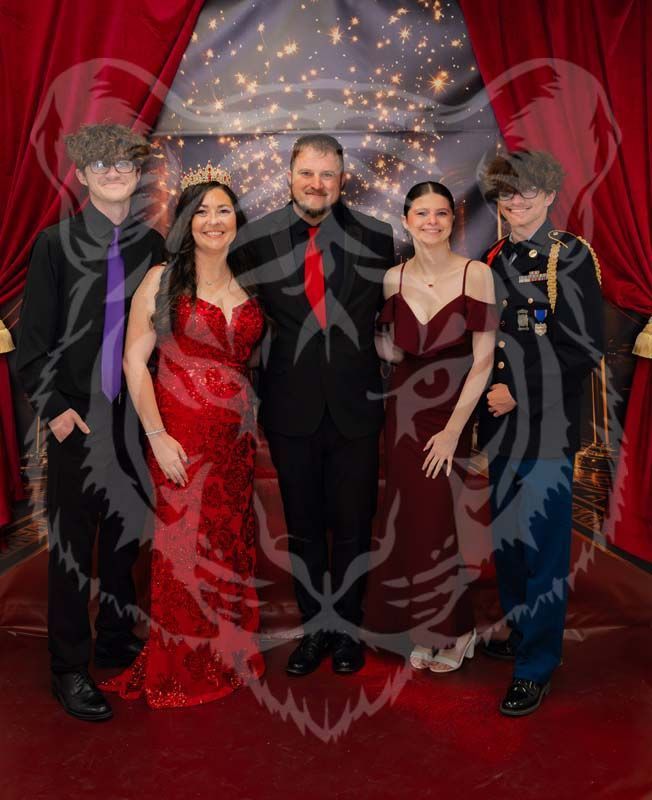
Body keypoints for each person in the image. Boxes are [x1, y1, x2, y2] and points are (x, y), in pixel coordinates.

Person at [99, 167, 266, 708]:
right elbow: (133, 362)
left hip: (236, 440)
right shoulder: (162, 277)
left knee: (229, 544)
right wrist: (157, 435)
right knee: (183, 550)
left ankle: (228, 653)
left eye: (223, 210)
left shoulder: (249, 279)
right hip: (180, 435)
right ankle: (182, 667)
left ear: (236, 219)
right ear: (186, 222)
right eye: (201, 212)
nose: (213, 221)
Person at [16, 123, 165, 721]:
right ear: (81, 174)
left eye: (124, 163)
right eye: (101, 164)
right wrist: (55, 411)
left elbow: (159, 338)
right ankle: (69, 667)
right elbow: (31, 346)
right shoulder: (54, 244)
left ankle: (116, 639)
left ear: (137, 173)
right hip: (76, 417)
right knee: (73, 549)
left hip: (132, 416)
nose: (113, 172)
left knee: (126, 538)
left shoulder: (152, 246)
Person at [240, 134, 395, 675]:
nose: (316, 183)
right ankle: (314, 631)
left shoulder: (377, 236)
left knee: (354, 525)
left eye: (327, 174)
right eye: (307, 172)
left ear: (342, 178)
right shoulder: (256, 238)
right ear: (290, 175)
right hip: (290, 406)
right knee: (303, 527)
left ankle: (347, 632)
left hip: (356, 405)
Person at [478, 150, 604, 716]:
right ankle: (521, 632)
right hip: (500, 426)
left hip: (547, 426)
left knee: (544, 547)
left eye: (528, 190)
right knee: (508, 543)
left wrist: (518, 394)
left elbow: (582, 348)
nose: (517, 200)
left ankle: (537, 665)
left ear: (550, 195)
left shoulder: (568, 255)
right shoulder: (492, 257)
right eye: (507, 192)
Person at [374, 181, 497, 673]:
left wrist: (452, 430)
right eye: (421, 213)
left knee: (438, 520)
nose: (431, 221)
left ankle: (457, 631)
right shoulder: (393, 279)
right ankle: (425, 629)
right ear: (406, 221)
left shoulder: (476, 274)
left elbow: (483, 361)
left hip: (450, 413)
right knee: (408, 520)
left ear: (453, 220)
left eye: (441, 213)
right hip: (402, 412)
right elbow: (393, 350)